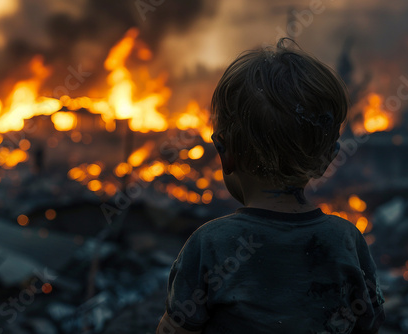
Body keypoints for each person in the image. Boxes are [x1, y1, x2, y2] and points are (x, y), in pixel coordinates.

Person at [156, 38, 385, 334]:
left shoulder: (210, 244)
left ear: (225, 155)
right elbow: (369, 324)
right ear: (327, 160)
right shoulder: (345, 241)